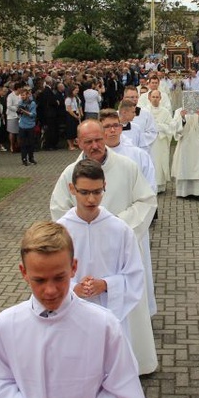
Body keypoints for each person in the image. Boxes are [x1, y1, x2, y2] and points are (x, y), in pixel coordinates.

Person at [0, 221, 148, 398]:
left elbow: (125, 392)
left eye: (59, 278)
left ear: (74, 267)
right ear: (24, 272)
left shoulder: (104, 325)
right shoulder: (5, 326)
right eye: (39, 280)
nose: (50, 291)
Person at [56, 160, 156, 375]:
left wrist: (106, 284)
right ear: (71, 189)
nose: (91, 199)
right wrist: (73, 288)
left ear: (105, 187)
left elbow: (135, 275)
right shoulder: (61, 231)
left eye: (97, 192)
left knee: (112, 371)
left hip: (112, 310)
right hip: (74, 311)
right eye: (84, 192)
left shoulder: (120, 229)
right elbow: (50, 275)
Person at [50, 120, 158, 316]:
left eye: (99, 140)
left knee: (126, 323)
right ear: (78, 142)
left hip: (120, 250)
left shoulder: (127, 167)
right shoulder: (70, 173)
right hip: (82, 257)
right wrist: (82, 225)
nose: (95, 146)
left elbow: (146, 201)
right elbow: (59, 209)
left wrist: (114, 225)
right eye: (88, 141)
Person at [171, 103, 199, 201]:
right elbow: (173, 126)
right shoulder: (179, 110)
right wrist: (182, 118)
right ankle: (184, 191)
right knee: (184, 165)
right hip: (185, 143)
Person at [148, 89, 174, 193]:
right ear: (149, 98)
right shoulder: (145, 111)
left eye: (157, 97)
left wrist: (159, 126)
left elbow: (170, 126)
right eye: (153, 97)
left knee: (161, 161)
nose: (155, 99)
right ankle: (151, 184)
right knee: (151, 162)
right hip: (150, 142)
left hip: (161, 140)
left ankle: (161, 185)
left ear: (160, 98)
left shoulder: (165, 112)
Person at [16, 87, 37, 166]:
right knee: (23, 143)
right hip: (22, 125)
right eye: (21, 95)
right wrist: (19, 111)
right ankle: (24, 158)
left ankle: (31, 158)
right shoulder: (20, 103)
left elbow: (33, 114)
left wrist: (25, 111)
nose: (22, 97)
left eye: (24, 95)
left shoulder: (32, 103)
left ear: (28, 95)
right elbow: (18, 113)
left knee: (31, 143)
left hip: (30, 125)